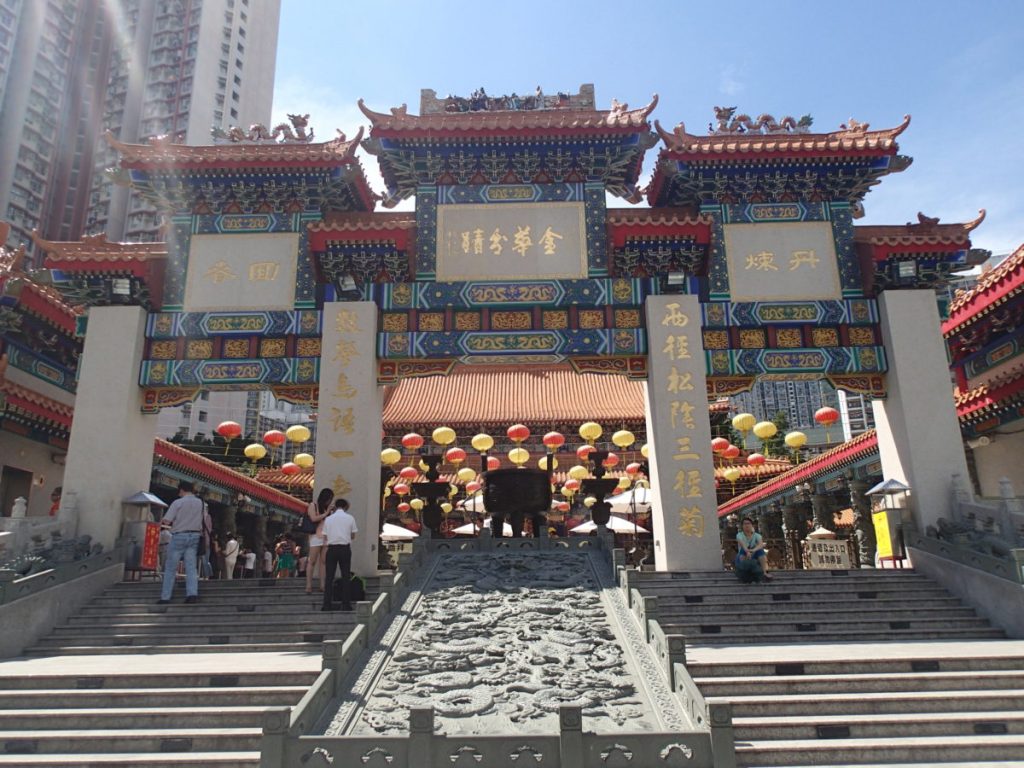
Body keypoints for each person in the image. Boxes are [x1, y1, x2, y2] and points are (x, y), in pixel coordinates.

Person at [157, 480, 205, 604]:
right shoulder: (201, 503)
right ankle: (192, 594)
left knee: (171, 567)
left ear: (182, 490)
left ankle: (165, 596)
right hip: (194, 536)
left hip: (179, 535)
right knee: (191, 566)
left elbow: (167, 520)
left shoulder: (178, 502)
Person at [321, 498, 358, 611]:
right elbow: (353, 535)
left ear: (335, 506)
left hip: (332, 549)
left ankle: (327, 604)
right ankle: (345, 604)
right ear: (346, 507)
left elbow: (325, 536)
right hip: (344, 548)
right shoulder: (350, 518)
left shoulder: (328, 519)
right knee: (346, 576)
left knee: (329, 577)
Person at [305, 488, 333, 594]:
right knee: (312, 561)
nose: (330, 501)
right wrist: (326, 513)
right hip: (315, 536)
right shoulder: (313, 505)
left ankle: (322, 585)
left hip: (326, 537)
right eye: (329, 499)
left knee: (324, 562)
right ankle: (308, 585)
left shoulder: (327, 509)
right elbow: (313, 518)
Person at [735, 516, 772, 583]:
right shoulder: (739, 535)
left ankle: (764, 572)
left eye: (748, 523)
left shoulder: (757, 535)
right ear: (742, 526)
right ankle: (743, 573)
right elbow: (743, 545)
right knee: (743, 550)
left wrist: (753, 550)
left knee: (760, 551)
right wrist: (747, 551)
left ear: (752, 525)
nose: (747, 525)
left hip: (753, 554)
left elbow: (760, 545)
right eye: (745, 524)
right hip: (743, 555)